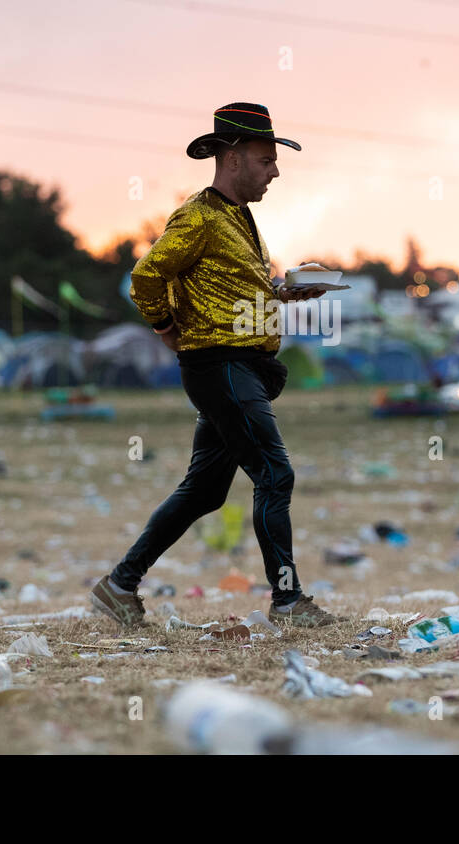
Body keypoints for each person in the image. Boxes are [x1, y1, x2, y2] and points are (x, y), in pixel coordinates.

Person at [91, 103, 341, 628]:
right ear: (231, 159)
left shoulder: (238, 217)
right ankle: (288, 601)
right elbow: (145, 278)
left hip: (241, 367)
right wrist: (167, 331)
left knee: (205, 490)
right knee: (275, 472)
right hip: (219, 367)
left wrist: (287, 292)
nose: (275, 171)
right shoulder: (198, 217)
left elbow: (234, 294)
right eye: (265, 159)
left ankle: (120, 585)